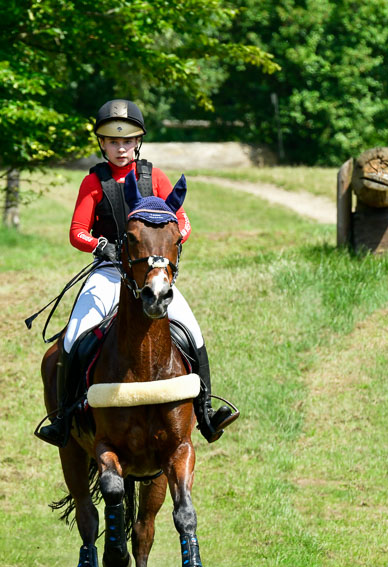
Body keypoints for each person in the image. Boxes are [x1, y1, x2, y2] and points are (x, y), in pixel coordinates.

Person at [38, 99, 238, 447]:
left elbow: (183, 222)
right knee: (73, 335)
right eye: (113, 141)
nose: (121, 148)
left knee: (191, 329)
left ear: (137, 143)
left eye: (127, 141)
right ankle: (65, 417)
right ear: (102, 143)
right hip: (109, 272)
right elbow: (77, 232)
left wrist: (167, 244)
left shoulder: (155, 178)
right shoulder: (93, 182)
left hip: (151, 274)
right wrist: (101, 246)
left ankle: (205, 411)